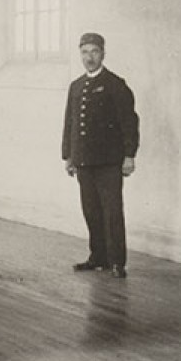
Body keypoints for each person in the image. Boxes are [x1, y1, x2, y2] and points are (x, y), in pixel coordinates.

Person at [62, 32, 140, 279]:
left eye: (94, 51)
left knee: (112, 212)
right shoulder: (76, 86)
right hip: (84, 161)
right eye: (84, 52)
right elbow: (70, 123)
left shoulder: (116, 85)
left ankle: (117, 262)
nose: (89, 57)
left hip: (108, 162)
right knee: (91, 211)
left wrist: (129, 156)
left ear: (103, 53)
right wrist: (68, 156)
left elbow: (129, 123)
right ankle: (98, 257)